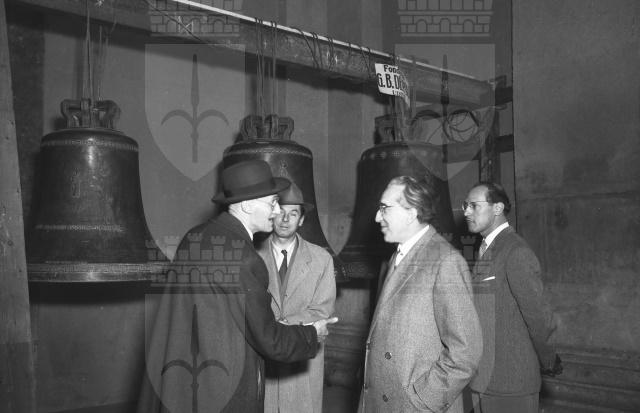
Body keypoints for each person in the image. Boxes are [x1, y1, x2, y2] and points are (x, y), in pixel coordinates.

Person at [137, 160, 338, 413]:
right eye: (272, 203)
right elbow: (269, 340)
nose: (277, 211)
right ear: (247, 205)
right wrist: (311, 334)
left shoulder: (195, 237)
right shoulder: (244, 256)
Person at [359, 176, 482, 413]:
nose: (377, 217)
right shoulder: (396, 257)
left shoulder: (446, 261)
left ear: (411, 212)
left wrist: (422, 400)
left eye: (384, 208)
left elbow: (465, 354)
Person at [463, 181, 562, 413]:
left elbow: (539, 317)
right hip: (484, 380)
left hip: (511, 383)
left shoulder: (515, 251)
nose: (466, 212)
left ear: (497, 208)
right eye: (465, 205)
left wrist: (548, 360)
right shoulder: (487, 248)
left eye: (474, 206)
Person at [257, 182, 336, 413]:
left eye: (293, 214)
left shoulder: (321, 259)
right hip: (264, 357)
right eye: (280, 212)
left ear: (301, 220)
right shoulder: (252, 256)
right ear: (271, 214)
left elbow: (322, 311)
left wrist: (279, 327)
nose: (285, 219)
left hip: (302, 358)